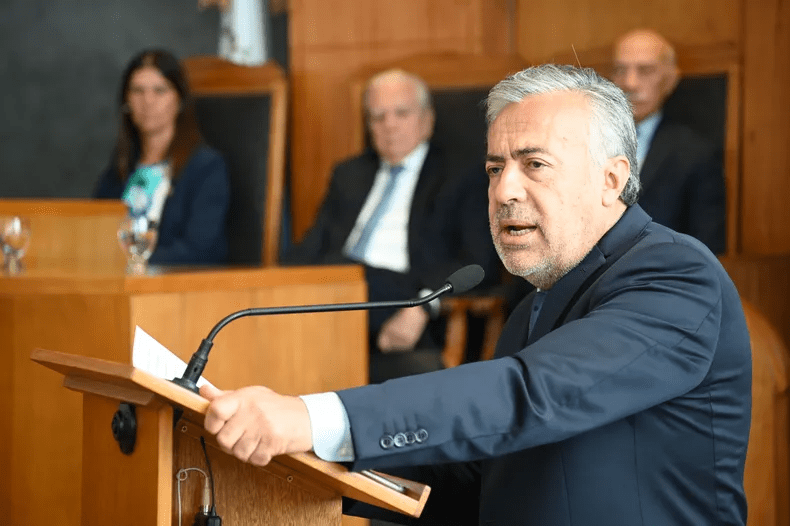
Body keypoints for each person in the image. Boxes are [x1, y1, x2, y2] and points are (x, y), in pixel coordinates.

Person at [199, 65, 751, 525]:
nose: (504, 190)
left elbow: (530, 395)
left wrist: (314, 418)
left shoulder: (676, 274)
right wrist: (308, 463)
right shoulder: (535, 304)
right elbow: (483, 476)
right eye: (494, 168)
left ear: (611, 179)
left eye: (534, 164)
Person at [282, 69, 498, 380]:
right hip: (339, 292)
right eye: (378, 117)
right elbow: (308, 252)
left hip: (406, 296)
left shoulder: (460, 175)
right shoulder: (349, 174)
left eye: (401, 113)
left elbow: (478, 263)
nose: (390, 125)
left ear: (427, 120)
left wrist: (424, 305)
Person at [94, 49, 230, 265]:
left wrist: (129, 262)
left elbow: (200, 250)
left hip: (174, 281)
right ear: (126, 101)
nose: (147, 101)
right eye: (137, 91)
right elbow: (93, 233)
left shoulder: (206, 167)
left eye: (160, 90)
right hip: (116, 279)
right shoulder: (121, 166)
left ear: (180, 100)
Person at [612, 28, 726, 254]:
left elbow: (705, 250)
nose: (630, 83)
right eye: (620, 70)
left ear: (670, 80)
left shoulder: (696, 154)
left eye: (645, 71)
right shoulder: (585, 140)